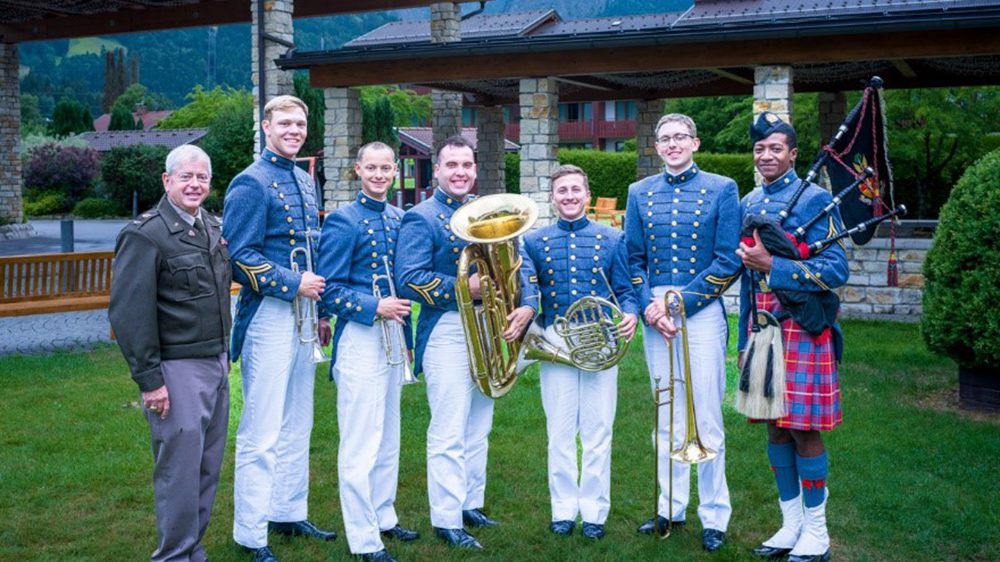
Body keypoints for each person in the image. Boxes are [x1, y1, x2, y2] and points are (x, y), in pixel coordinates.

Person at [394, 135, 534, 550]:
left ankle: (471, 502)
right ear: (436, 170)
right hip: (448, 330)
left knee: (479, 424)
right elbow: (410, 278)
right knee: (450, 427)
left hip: (488, 325)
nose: (460, 172)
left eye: (466, 166)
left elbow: (516, 267)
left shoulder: (487, 213)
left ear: (475, 170)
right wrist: (465, 288)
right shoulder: (421, 216)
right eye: (451, 165)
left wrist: (519, 304)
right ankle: (447, 518)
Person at [224, 95, 335, 562]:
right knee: (261, 427)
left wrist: (322, 311)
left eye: (300, 123)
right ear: (266, 126)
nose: (293, 130)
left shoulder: (305, 180)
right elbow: (238, 258)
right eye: (284, 123)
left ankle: (287, 511)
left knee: (297, 421)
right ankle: (251, 533)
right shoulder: (250, 182)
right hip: (268, 312)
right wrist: (294, 283)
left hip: (305, 313)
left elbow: (312, 250)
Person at [624, 113, 741, 552]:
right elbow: (632, 258)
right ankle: (669, 506)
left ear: (695, 141)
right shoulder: (640, 192)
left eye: (680, 137)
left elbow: (728, 260)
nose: (673, 144)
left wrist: (682, 303)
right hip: (656, 310)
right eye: (665, 139)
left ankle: (714, 515)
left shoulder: (722, 188)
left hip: (701, 309)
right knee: (666, 413)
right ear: (656, 147)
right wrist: (649, 307)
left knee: (706, 415)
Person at [109, 145, 232, 562]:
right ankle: (174, 556)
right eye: (186, 177)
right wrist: (151, 381)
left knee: (207, 466)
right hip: (177, 369)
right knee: (179, 472)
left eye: (202, 178)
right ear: (167, 181)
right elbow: (130, 313)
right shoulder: (145, 234)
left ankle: (192, 549)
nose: (195, 184)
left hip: (215, 362)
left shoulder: (210, 227)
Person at [736, 112, 848, 562]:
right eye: (760, 149)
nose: (766, 155)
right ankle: (791, 525)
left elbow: (837, 269)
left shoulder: (817, 199)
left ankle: (817, 532)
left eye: (775, 148)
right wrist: (744, 334)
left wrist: (774, 267)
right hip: (761, 325)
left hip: (802, 325)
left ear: (793, 153)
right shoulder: (748, 202)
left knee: (803, 429)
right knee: (774, 429)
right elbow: (746, 279)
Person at [519, 165, 639, 540]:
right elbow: (529, 292)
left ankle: (594, 511)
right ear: (552, 197)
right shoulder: (535, 242)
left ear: (588, 195)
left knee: (598, 429)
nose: (569, 196)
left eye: (575, 190)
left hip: (601, 343)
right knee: (559, 431)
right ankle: (563, 509)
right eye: (561, 191)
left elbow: (626, 288)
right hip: (555, 341)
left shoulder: (612, 237)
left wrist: (632, 313)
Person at [316, 142, 420, 562]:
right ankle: (363, 539)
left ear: (396, 171)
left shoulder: (400, 218)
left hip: (395, 336)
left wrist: (407, 342)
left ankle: (384, 515)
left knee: (389, 437)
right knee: (360, 440)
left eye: (386, 168)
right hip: (360, 337)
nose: (379, 175)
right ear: (358, 170)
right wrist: (373, 306)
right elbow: (330, 289)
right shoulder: (343, 220)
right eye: (371, 168)